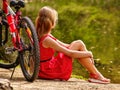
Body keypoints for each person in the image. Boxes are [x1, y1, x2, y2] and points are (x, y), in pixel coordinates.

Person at [35, 6, 110, 84]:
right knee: (79, 44)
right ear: (52, 23)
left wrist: (80, 49)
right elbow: (70, 53)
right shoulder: (47, 40)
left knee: (79, 43)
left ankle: (95, 74)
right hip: (49, 70)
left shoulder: (43, 35)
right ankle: (95, 75)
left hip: (45, 68)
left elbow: (66, 46)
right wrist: (88, 53)